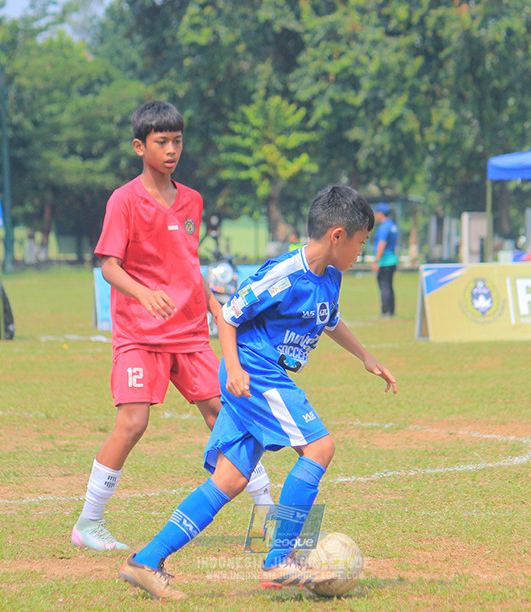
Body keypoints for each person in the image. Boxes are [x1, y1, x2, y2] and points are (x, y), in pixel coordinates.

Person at [119, 185, 398, 600]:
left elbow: (329, 320)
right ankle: (280, 559)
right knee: (320, 447)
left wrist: (365, 356)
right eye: (360, 242)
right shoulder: (284, 273)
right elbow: (230, 315)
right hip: (254, 371)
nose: (361, 251)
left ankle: (145, 560)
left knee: (229, 480)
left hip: (264, 374)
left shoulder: (331, 277)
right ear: (337, 235)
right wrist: (233, 369)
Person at [71, 101, 274, 553]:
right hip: (140, 335)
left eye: (177, 140)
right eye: (161, 141)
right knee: (133, 422)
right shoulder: (123, 200)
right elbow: (109, 266)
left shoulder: (192, 200)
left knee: (228, 416)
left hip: (188, 333)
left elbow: (187, 262)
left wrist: (215, 308)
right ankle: (88, 522)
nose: (171, 149)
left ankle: (267, 513)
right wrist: (143, 294)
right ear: (139, 146)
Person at [372, 202, 398, 318]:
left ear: (381, 214)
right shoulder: (392, 225)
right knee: (389, 286)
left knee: (384, 286)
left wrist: (376, 261)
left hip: (385, 260)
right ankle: (391, 310)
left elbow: (381, 244)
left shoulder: (384, 227)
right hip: (392, 259)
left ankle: (385, 311)